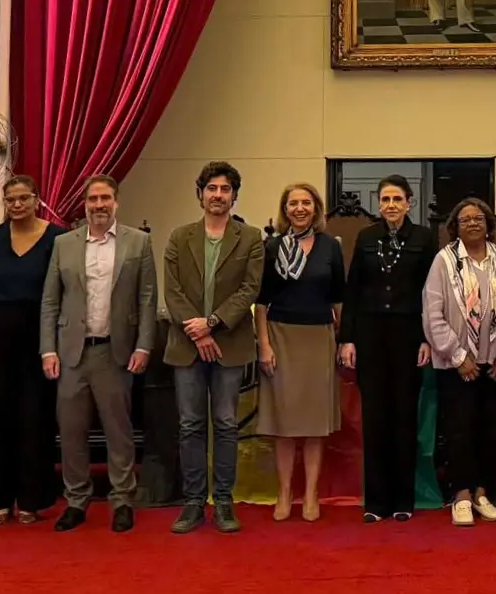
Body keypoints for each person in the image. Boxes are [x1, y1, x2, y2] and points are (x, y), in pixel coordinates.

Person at [40, 174, 156, 533]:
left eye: (105, 198)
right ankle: (76, 500)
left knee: (118, 432)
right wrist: (48, 349)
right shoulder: (64, 244)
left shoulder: (138, 243)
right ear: (85, 204)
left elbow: (148, 298)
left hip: (115, 353)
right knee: (71, 432)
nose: (99, 205)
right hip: (72, 353)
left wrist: (144, 345)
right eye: (93, 199)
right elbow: (50, 300)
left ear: (116, 202)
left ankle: (123, 500)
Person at [163, 161, 264, 534]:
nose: (217, 195)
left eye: (225, 190)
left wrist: (213, 323)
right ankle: (192, 503)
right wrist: (199, 331)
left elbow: (249, 289)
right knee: (190, 425)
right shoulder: (179, 236)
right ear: (200, 194)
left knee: (224, 424)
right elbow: (171, 291)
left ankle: (223, 501)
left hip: (229, 345)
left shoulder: (250, 237)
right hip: (187, 345)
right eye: (211, 189)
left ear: (234, 196)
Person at [339, 174, 438, 522]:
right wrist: (347, 339)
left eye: (397, 199)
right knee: (376, 418)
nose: (391, 206)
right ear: (378, 204)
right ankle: (375, 503)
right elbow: (352, 291)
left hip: (409, 337)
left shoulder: (425, 239)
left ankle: (402, 501)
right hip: (370, 336)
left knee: (403, 417)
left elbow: (433, 294)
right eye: (385, 200)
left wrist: (428, 338)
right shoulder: (367, 238)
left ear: (409, 202)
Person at [423, 198, 496, 527]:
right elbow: (433, 315)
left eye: (478, 218)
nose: (472, 223)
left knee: (493, 430)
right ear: (455, 226)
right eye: (465, 218)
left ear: (488, 224)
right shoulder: (444, 262)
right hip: (458, 367)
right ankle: (462, 495)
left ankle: (483, 493)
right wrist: (458, 356)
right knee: (460, 431)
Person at [0, 175, 65, 524]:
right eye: (11, 200)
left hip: (40, 335)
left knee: (35, 415)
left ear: (37, 200)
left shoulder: (58, 238)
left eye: (24, 198)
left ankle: (30, 499)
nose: (17, 205)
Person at [255, 182, 344, 523]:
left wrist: (341, 341)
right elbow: (261, 302)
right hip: (280, 337)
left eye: (306, 202)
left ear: (316, 208)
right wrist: (264, 345)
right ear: (285, 209)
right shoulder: (272, 246)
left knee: (314, 423)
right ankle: (284, 493)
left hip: (319, 338)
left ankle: (311, 494)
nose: (300, 208)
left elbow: (339, 299)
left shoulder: (330, 247)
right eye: (293, 203)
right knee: (285, 422)